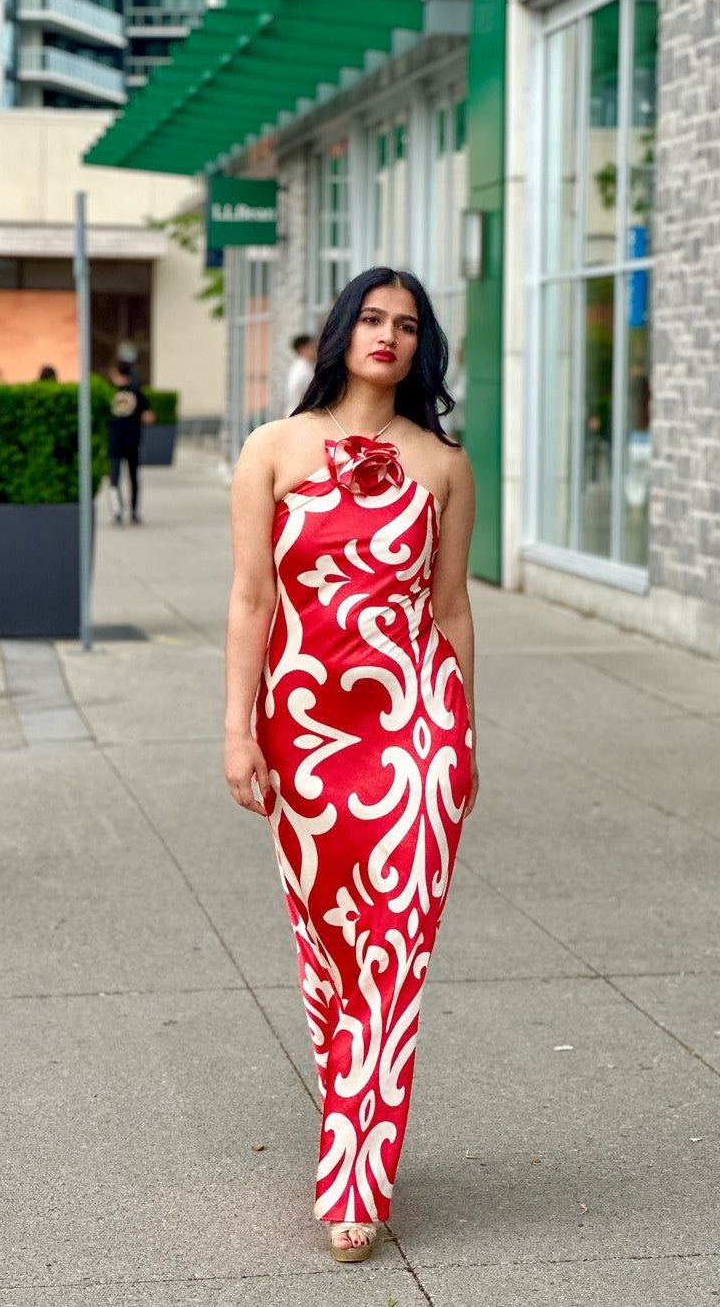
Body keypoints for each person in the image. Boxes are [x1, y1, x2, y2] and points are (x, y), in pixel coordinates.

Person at [224, 268, 478, 1263]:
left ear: (423, 347)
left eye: (407, 325)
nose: (389, 336)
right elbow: (250, 600)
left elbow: (451, 607)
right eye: (372, 319)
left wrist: (463, 740)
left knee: (394, 952)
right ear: (338, 333)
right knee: (330, 950)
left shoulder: (445, 464)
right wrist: (236, 731)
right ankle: (352, 1124)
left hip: (415, 728)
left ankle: (353, 1182)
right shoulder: (272, 450)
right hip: (305, 734)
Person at [106, 356, 154, 525]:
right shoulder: (137, 392)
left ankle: (117, 512)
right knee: (133, 478)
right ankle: (134, 512)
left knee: (114, 479)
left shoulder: (109, 393)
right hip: (133, 440)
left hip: (114, 441)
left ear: (116, 373)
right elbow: (148, 417)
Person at [284, 333, 316, 415]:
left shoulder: (306, 365)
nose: (315, 349)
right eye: (311, 346)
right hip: (300, 413)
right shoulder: (302, 370)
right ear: (303, 349)